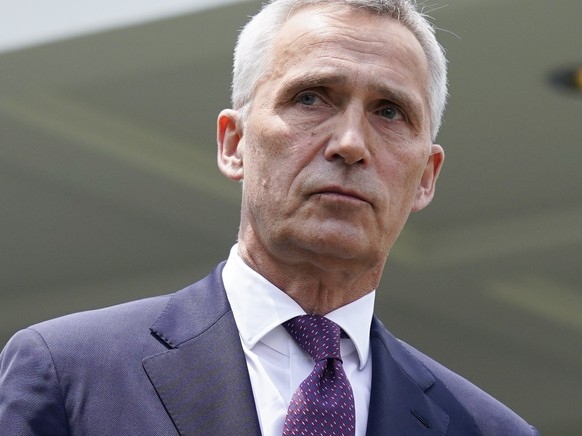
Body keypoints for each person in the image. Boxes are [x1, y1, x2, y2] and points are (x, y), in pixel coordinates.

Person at [0, 0, 539, 434]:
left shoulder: (490, 428)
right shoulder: (70, 373)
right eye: (311, 98)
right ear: (233, 142)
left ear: (427, 176)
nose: (350, 144)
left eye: (389, 112)